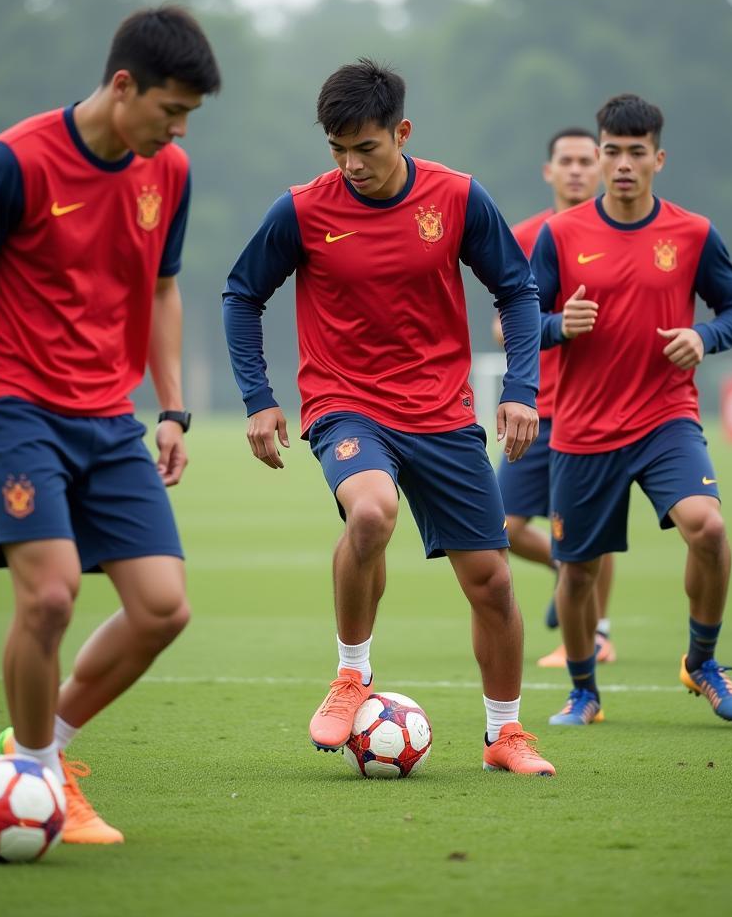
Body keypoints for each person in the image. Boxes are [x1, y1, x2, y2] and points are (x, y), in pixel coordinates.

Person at [0, 6, 221, 842]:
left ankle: (39, 749)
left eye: (189, 114)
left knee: (162, 609)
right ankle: (38, 779)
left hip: (106, 413)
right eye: (170, 109)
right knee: (49, 596)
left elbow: (160, 289)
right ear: (124, 86)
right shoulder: (17, 161)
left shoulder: (171, 173)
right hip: (8, 402)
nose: (178, 128)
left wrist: (173, 408)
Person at [223, 58, 555, 776]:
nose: (350, 165)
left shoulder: (458, 198)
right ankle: (351, 675)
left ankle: (505, 734)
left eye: (365, 148)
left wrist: (521, 388)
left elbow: (518, 291)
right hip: (346, 403)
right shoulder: (303, 210)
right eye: (336, 150)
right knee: (370, 515)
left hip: (440, 410)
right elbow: (242, 294)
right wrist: (259, 399)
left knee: (492, 583)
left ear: (401, 132)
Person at [530, 93, 732, 727]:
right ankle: (583, 692)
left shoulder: (692, 233)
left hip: (666, 419)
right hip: (583, 429)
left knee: (708, 529)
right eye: (612, 151)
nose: (622, 163)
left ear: (659, 157)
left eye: (636, 152)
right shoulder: (561, 234)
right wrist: (557, 325)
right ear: (599, 156)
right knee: (576, 574)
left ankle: (703, 662)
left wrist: (704, 337)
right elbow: (520, 319)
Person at [489, 129, 616, 668]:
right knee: (502, 525)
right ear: (549, 171)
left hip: (602, 406)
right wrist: (558, 326)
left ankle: (596, 633)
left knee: (593, 527)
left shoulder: (621, 234)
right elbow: (501, 327)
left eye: (587, 161)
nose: (576, 170)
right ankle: (568, 574)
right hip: (538, 406)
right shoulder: (523, 236)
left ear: (603, 167)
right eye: (565, 161)